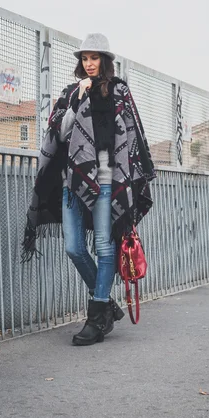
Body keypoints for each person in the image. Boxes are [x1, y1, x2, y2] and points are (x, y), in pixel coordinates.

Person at [22, 33, 155, 345]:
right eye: (84, 58)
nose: (89, 64)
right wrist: (78, 99)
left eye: (94, 58)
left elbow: (132, 137)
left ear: (105, 60)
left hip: (110, 179)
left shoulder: (120, 91)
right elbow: (58, 133)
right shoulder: (72, 92)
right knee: (74, 247)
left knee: (106, 247)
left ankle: (96, 319)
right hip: (74, 179)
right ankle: (106, 305)